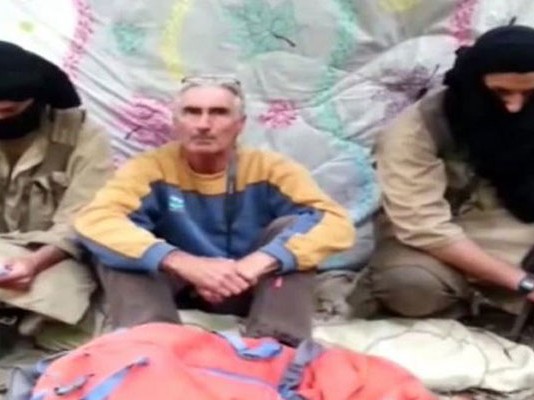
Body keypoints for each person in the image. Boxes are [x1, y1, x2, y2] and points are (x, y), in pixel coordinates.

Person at [75, 75, 355, 346]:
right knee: (119, 244)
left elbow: (334, 222)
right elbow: (96, 220)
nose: (203, 124)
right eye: (192, 112)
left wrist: (259, 262)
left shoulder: (271, 168)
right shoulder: (150, 168)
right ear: (175, 122)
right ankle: (152, 344)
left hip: (251, 288)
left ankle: (276, 346)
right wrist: (183, 263)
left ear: (240, 124)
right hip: (173, 290)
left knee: (295, 233)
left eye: (218, 113)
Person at [349, 25, 534, 321]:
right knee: (410, 285)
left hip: (521, 243)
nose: (515, 107)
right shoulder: (419, 128)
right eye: (501, 92)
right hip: (442, 249)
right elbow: (423, 226)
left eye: (528, 93)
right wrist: (523, 282)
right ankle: (474, 307)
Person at [0, 42, 112, 352]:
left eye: (9, 111)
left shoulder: (84, 136)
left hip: (51, 259)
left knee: (66, 307)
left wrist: (34, 263)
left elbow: (83, 218)